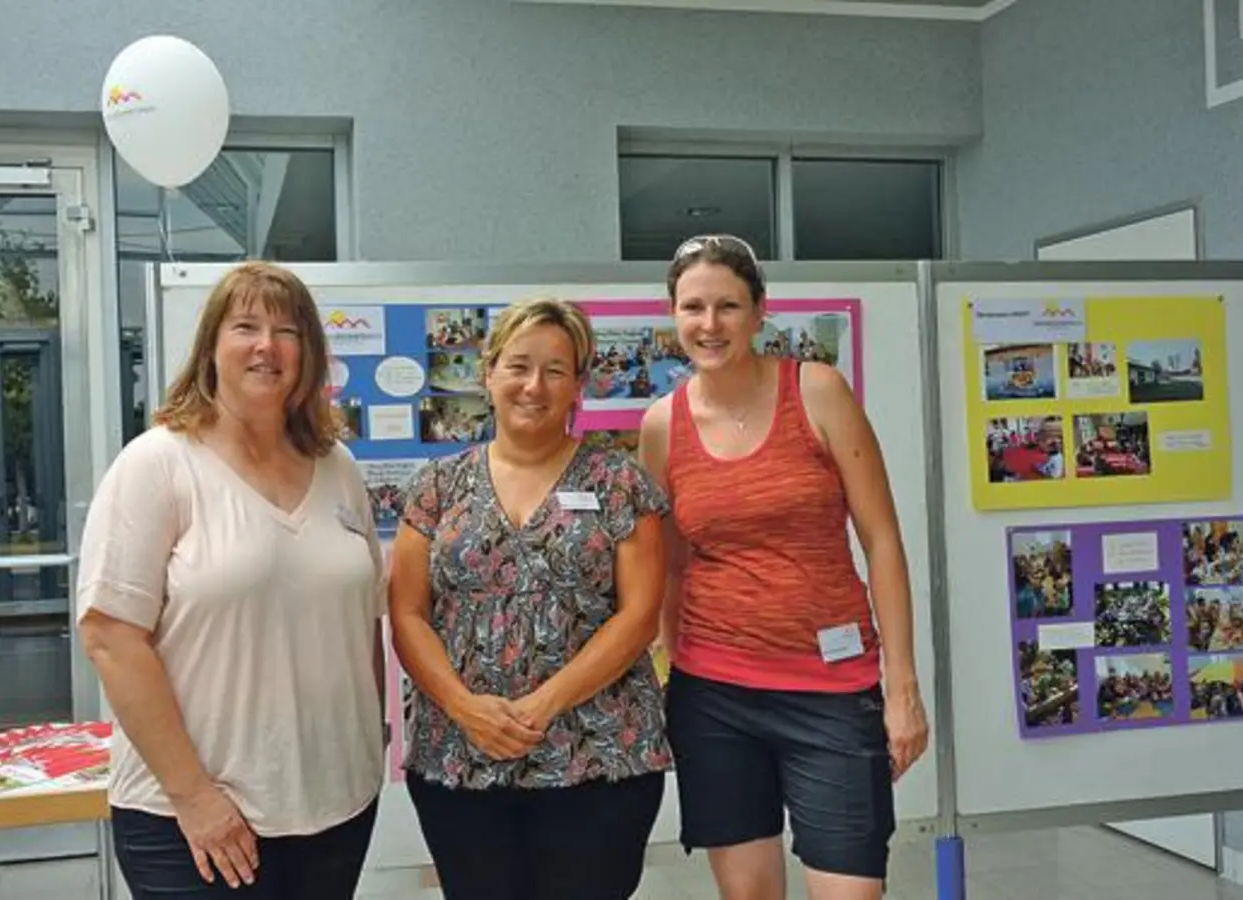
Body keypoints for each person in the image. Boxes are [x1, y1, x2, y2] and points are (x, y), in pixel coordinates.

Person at [76, 261, 387, 899]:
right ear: (211, 347)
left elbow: (365, 619)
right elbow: (111, 637)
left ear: (308, 353)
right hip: (194, 819)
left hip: (337, 805)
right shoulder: (158, 463)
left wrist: (370, 742)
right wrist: (194, 796)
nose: (267, 346)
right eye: (246, 327)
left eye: (287, 331)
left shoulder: (339, 467)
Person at [638, 234, 930, 900]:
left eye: (728, 306)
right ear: (673, 314)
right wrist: (671, 671)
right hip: (715, 696)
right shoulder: (661, 426)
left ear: (760, 310)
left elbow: (882, 540)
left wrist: (903, 687)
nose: (710, 324)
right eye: (692, 307)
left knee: (851, 890)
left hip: (832, 690)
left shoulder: (817, 392)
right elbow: (671, 567)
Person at [389, 297, 670, 900]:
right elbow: (407, 612)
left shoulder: (620, 483)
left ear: (578, 385)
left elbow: (640, 615)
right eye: (518, 366)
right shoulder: (436, 486)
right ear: (489, 373)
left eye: (555, 370)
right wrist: (466, 708)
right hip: (460, 757)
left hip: (598, 758)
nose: (534, 386)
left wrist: (541, 707)